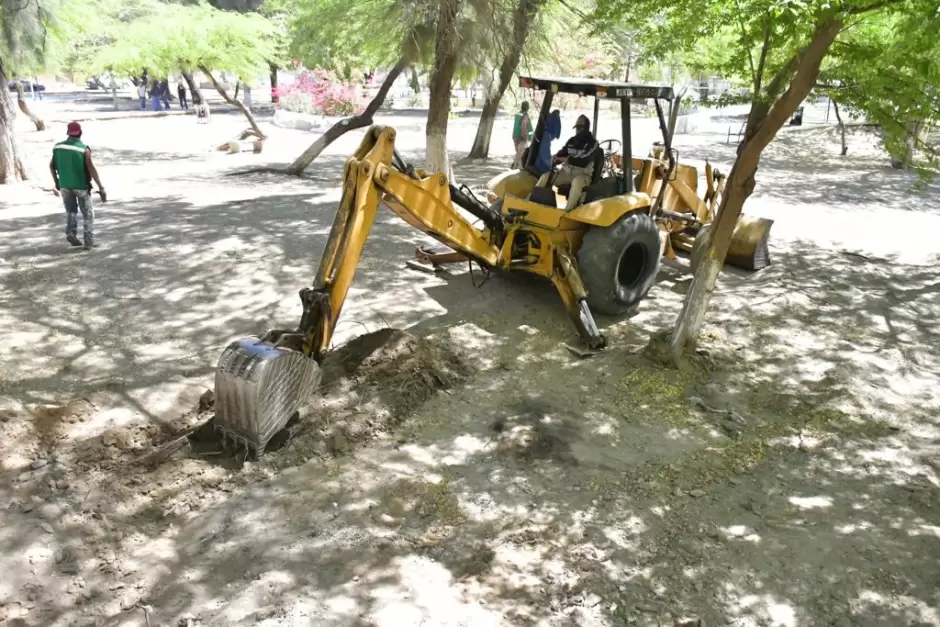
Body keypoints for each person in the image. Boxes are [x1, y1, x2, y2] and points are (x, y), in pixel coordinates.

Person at [49, 122, 105, 250]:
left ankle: (71, 233)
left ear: (68, 133)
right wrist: (101, 187)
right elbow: (91, 168)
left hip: (64, 185)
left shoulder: (57, 147)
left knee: (71, 211)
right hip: (81, 186)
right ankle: (88, 241)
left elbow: (51, 166)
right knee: (88, 214)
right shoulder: (83, 148)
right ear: (80, 133)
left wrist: (57, 182)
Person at [536, 114, 598, 211]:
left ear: (586, 128)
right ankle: (532, 203)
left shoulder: (593, 143)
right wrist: (556, 158)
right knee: (545, 177)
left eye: (580, 127)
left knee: (577, 182)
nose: (577, 130)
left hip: (582, 174)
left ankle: (567, 211)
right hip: (566, 172)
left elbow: (584, 160)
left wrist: (565, 159)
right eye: (576, 127)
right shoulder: (572, 141)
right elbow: (562, 153)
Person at [534, 109, 562, 175]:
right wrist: (552, 167)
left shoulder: (543, 133)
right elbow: (545, 158)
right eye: (554, 136)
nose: (553, 138)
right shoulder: (546, 136)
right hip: (541, 167)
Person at [512, 101, 533, 169]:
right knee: (521, 155)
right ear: (527, 107)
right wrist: (525, 137)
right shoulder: (525, 115)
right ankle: (517, 168)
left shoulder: (518, 114)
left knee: (518, 153)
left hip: (515, 136)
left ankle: (514, 166)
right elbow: (523, 126)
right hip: (522, 138)